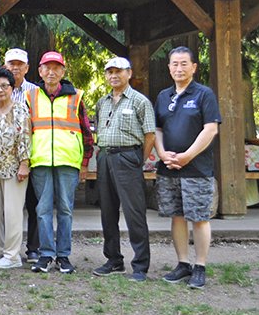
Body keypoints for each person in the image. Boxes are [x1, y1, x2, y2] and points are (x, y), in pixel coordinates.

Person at [154, 47, 221, 290]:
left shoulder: (204, 94)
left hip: (196, 168)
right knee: (177, 216)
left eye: (184, 64)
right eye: (174, 64)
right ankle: (183, 264)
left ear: (194, 67)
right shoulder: (163, 96)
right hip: (169, 167)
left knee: (199, 218)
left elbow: (211, 129)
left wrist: (187, 156)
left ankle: (200, 266)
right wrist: (162, 154)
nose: (179, 68)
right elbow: (158, 129)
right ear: (169, 67)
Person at [26, 51, 94, 275]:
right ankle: (46, 255)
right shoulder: (31, 96)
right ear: (40, 71)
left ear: (63, 71)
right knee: (42, 210)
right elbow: (25, 133)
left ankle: (63, 255)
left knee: (66, 209)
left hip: (68, 162)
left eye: (56, 67)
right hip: (41, 161)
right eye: (47, 67)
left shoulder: (76, 96)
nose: (51, 72)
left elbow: (86, 133)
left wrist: (84, 163)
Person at [92, 57, 155, 282]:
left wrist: (138, 159)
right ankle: (113, 260)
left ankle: (140, 266)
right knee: (107, 211)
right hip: (106, 157)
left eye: (118, 71)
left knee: (134, 212)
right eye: (109, 72)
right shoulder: (102, 102)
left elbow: (150, 135)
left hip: (128, 157)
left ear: (129, 73)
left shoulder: (139, 101)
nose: (113, 76)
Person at [0, 67, 31, 269]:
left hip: (14, 169)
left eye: (4, 86)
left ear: (12, 88)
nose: (0, 90)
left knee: (12, 213)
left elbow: (25, 137)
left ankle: (12, 256)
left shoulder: (20, 109)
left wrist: (24, 163)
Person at [4, 48, 42, 264]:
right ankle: (9, 248)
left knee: (33, 204)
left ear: (27, 68)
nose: (15, 68)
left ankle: (33, 248)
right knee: (10, 207)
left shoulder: (36, 92)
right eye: (11, 64)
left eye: (19, 64)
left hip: (33, 156)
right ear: (5, 66)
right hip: (7, 159)